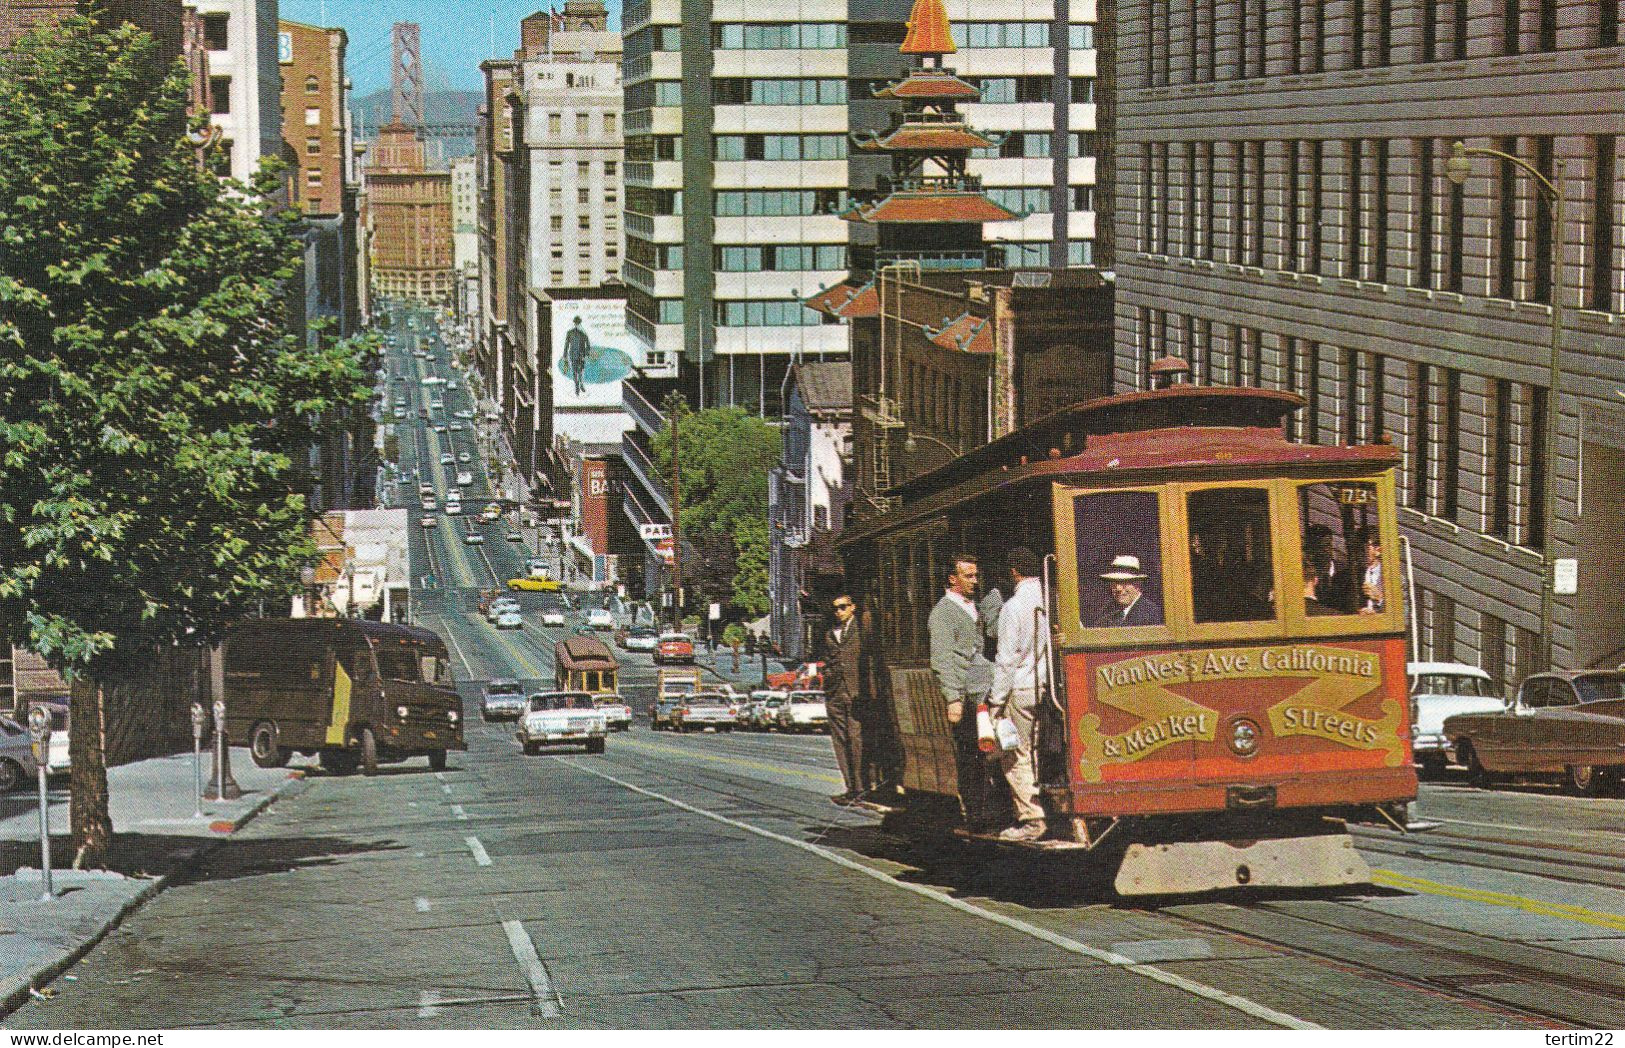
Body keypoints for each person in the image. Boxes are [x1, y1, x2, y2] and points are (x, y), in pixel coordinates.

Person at [928, 553, 997, 828]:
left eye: (976, 575)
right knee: (970, 755)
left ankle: (985, 810)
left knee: (985, 753)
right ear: (952, 579)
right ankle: (975, 815)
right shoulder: (944, 612)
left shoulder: (973, 607)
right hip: (966, 697)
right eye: (968, 576)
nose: (974, 581)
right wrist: (953, 698)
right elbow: (942, 658)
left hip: (981, 691)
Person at [989, 547, 1049, 842]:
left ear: (1013, 571)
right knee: (1037, 752)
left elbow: (1006, 659)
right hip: (1048, 688)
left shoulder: (1012, 607)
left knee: (1015, 753)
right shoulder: (1052, 598)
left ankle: (1031, 818)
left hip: (1021, 690)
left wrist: (996, 702)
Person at [822, 593, 866, 805]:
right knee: (840, 740)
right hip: (835, 692)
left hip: (855, 691)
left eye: (842, 607)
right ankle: (850, 787)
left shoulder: (861, 629)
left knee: (855, 738)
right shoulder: (831, 633)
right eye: (836, 608)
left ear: (852, 607)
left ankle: (860, 787)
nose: (838, 611)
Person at [1095, 555, 1163, 627]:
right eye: (1114, 583)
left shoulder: (1151, 613)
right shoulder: (1106, 611)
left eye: (1124, 582)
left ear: (1138, 584)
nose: (1118, 588)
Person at [563, 316, 591, 397]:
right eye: (575, 323)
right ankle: (576, 387)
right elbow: (566, 345)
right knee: (575, 371)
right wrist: (565, 355)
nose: (576, 325)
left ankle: (581, 384)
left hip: (581, 356)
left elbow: (588, 345)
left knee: (581, 371)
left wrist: (585, 354)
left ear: (579, 323)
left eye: (578, 323)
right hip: (573, 355)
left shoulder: (583, 334)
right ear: (574, 323)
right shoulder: (569, 333)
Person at [1358, 528, 1385, 614]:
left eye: (1364, 547)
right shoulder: (1346, 577)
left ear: (1378, 550)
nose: (1358, 552)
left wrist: (1380, 598)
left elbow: (1403, 617)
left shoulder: (1395, 579)